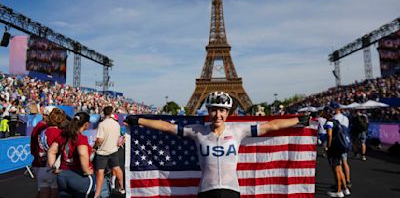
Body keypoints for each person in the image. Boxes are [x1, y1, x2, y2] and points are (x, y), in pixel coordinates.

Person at [124, 91, 310, 198]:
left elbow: (271, 126)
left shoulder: (238, 130)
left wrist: (298, 120)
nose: (218, 115)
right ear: (209, 111)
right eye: (214, 110)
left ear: (228, 113)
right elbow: (166, 126)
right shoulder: (197, 131)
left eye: (222, 111)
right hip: (206, 191)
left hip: (231, 191)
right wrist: (139, 120)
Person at [47, 112, 95, 198]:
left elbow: (51, 151)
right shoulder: (81, 138)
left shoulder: (63, 135)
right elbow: (82, 154)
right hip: (79, 175)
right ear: (86, 124)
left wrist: (53, 167)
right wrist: (86, 170)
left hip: (63, 175)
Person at [93, 106, 125, 198]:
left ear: (104, 113)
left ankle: (97, 194)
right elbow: (118, 138)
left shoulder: (102, 124)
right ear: (112, 113)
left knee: (100, 172)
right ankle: (122, 188)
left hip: (102, 152)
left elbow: (99, 139)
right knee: (117, 168)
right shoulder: (116, 124)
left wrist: (94, 147)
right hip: (113, 150)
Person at [36, 108, 67, 198]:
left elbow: (40, 150)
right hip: (53, 166)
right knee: (54, 193)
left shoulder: (43, 132)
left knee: (43, 193)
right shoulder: (60, 133)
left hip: (42, 166)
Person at [324, 110, 351, 198]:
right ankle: (345, 189)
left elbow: (329, 134)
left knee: (336, 169)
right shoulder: (336, 121)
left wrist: (328, 145)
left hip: (334, 149)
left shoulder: (329, 122)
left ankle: (338, 191)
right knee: (339, 169)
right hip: (339, 147)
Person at [31, 106, 56, 198]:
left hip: (41, 162)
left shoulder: (41, 125)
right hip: (43, 163)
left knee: (43, 190)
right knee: (47, 191)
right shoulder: (44, 127)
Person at [331, 102, 352, 188]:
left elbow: (331, 132)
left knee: (337, 166)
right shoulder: (345, 118)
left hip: (337, 143)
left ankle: (339, 184)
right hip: (345, 141)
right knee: (345, 162)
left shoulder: (334, 118)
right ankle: (348, 181)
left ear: (335, 109)